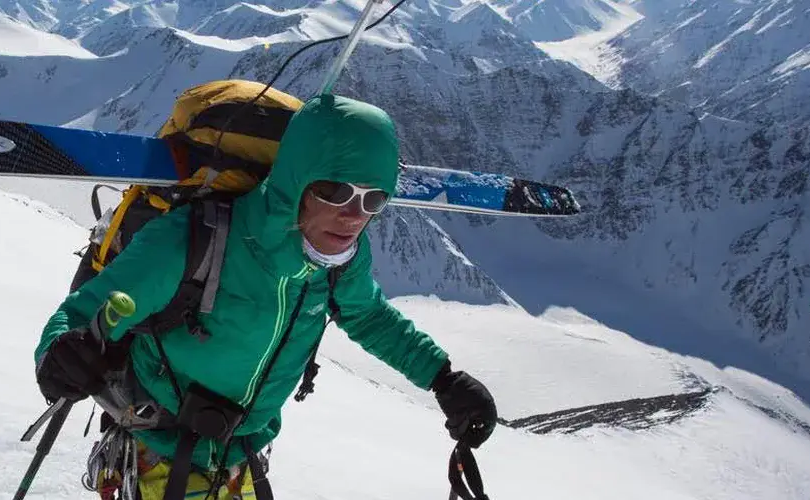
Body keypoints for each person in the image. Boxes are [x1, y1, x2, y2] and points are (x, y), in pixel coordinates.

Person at [34, 94, 498, 499]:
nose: (354, 215)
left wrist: (443, 379)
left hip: (242, 454)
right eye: (335, 191)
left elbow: (369, 316)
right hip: (159, 445)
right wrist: (60, 357)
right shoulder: (192, 241)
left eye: (373, 200)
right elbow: (80, 313)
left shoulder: (338, 261)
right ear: (296, 180)